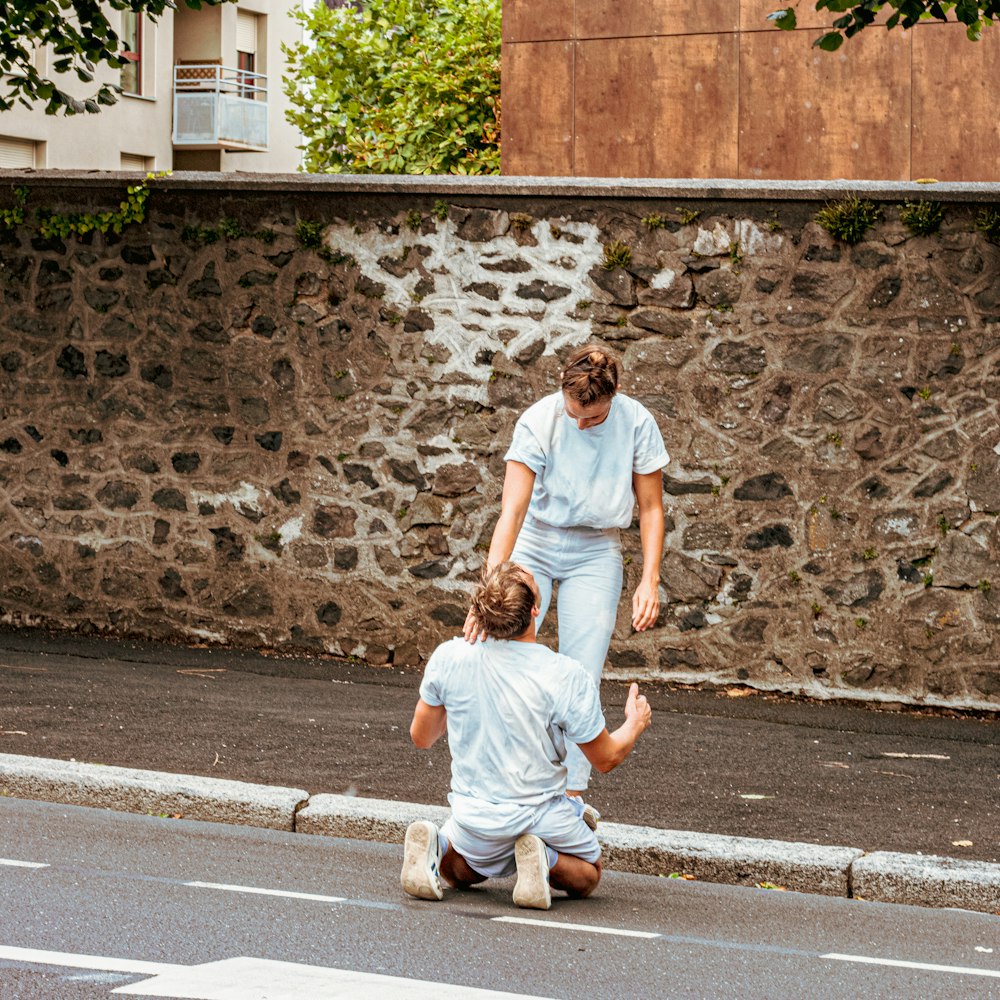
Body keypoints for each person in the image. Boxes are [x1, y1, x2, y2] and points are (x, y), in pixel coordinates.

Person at [464, 343, 668, 800]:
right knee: (503, 650)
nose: (580, 423)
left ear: (612, 398)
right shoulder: (539, 419)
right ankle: (497, 779)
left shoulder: (636, 422)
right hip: (536, 536)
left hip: (596, 547)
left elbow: (652, 508)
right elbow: (512, 513)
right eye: (573, 412)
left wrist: (649, 578)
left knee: (582, 669)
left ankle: (571, 795)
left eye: (592, 417)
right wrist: (490, 590)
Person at [402, 561, 652, 910]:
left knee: (460, 872)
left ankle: (438, 845)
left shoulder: (450, 656)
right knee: (589, 874)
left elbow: (421, 737)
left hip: (475, 817)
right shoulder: (565, 674)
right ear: (536, 609)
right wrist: (634, 722)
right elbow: (606, 758)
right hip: (541, 816)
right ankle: (544, 858)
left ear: (481, 609)